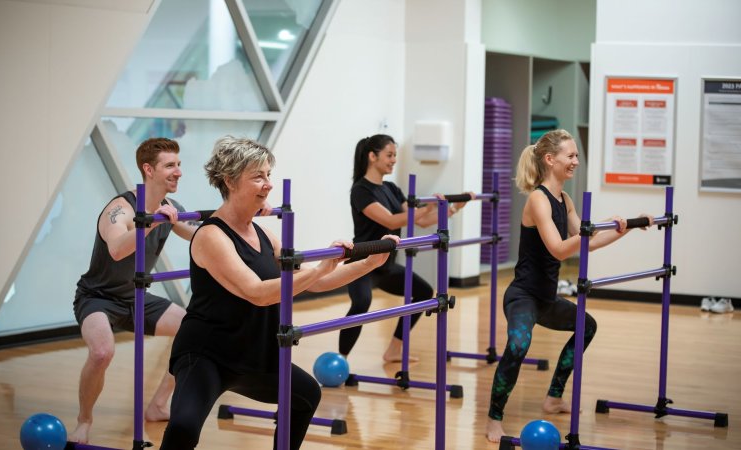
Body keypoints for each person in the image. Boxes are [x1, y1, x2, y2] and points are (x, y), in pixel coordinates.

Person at [160, 136, 396, 450]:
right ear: (230, 181)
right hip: (207, 355)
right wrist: (318, 269)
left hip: (253, 353)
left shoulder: (263, 234)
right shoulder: (211, 236)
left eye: (268, 175)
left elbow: (315, 283)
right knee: (183, 427)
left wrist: (370, 263)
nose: (268, 184)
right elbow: (256, 292)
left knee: (306, 395)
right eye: (258, 177)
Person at [485, 129, 653, 442]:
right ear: (550, 159)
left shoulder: (565, 199)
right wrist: (587, 233)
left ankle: (553, 397)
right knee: (519, 345)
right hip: (523, 296)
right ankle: (494, 418)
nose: (576, 161)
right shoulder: (538, 199)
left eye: (576, 155)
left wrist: (626, 227)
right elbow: (560, 248)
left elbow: (587, 242)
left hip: (547, 299)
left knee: (586, 326)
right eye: (571, 156)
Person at [69, 137, 198, 444]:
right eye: (170, 166)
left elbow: (201, 236)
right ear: (148, 170)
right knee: (102, 353)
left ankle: (157, 405)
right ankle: (84, 420)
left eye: (179, 165)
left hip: (135, 296)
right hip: (97, 298)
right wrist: (150, 224)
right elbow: (116, 249)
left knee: (194, 332)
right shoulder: (120, 209)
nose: (178, 172)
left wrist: (244, 219)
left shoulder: (171, 208)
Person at [343, 134, 471, 362]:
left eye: (395, 156)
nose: (393, 160)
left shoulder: (391, 188)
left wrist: (452, 209)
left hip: (386, 264)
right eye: (389, 155)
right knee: (361, 303)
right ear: (372, 156)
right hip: (362, 264)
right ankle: (340, 358)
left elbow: (418, 220)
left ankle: (394, 349)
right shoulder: (361, 190)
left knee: (423, 292)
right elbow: (392, 221)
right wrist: (430, 205)